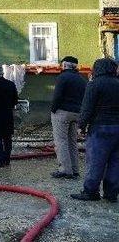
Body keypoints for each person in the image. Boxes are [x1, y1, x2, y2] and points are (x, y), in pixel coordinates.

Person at [71, 58, 119, 203]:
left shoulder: (94, 84)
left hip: (100, 128)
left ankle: (91, 192)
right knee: (116, 162)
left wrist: (81, 126)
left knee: (95, 161)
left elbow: (87, 107)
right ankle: (111, 193)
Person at [50, 56, 87, 179]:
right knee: (72, 142)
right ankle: (75, 169)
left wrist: (53, 109)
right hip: (77, 113)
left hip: (62, 112)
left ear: (65, 65)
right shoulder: (82, 79)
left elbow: (57, 96)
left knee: (61, 141)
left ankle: (65, 170)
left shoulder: (62, 77)